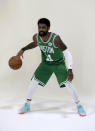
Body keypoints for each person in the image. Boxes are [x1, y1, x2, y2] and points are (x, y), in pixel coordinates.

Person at [17, 18, 86, 116]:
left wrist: (70, 69)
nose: (41, 29)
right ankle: (27, 104)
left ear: (48, 28)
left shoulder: (56, 39)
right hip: (46, 64)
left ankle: (79, 105)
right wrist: (23, 49)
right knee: (34, 81)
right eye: (39, 27)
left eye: (43, 27)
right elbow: (35, 43)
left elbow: (67, 53)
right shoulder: (36, 37)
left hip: (58, 63)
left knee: (68, 82)